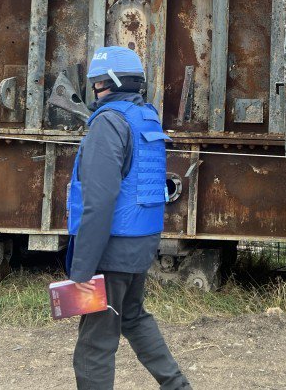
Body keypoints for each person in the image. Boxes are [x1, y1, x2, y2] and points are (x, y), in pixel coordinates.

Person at [66, 46, 192, 390]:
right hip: (138, 247)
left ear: (112, 83)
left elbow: (100, 200)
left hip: (110, 251)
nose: (94, 91)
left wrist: (82, 268)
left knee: (95, 344)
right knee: (133, 319)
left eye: (97, 84)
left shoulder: (108, 123)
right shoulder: (145, 118)